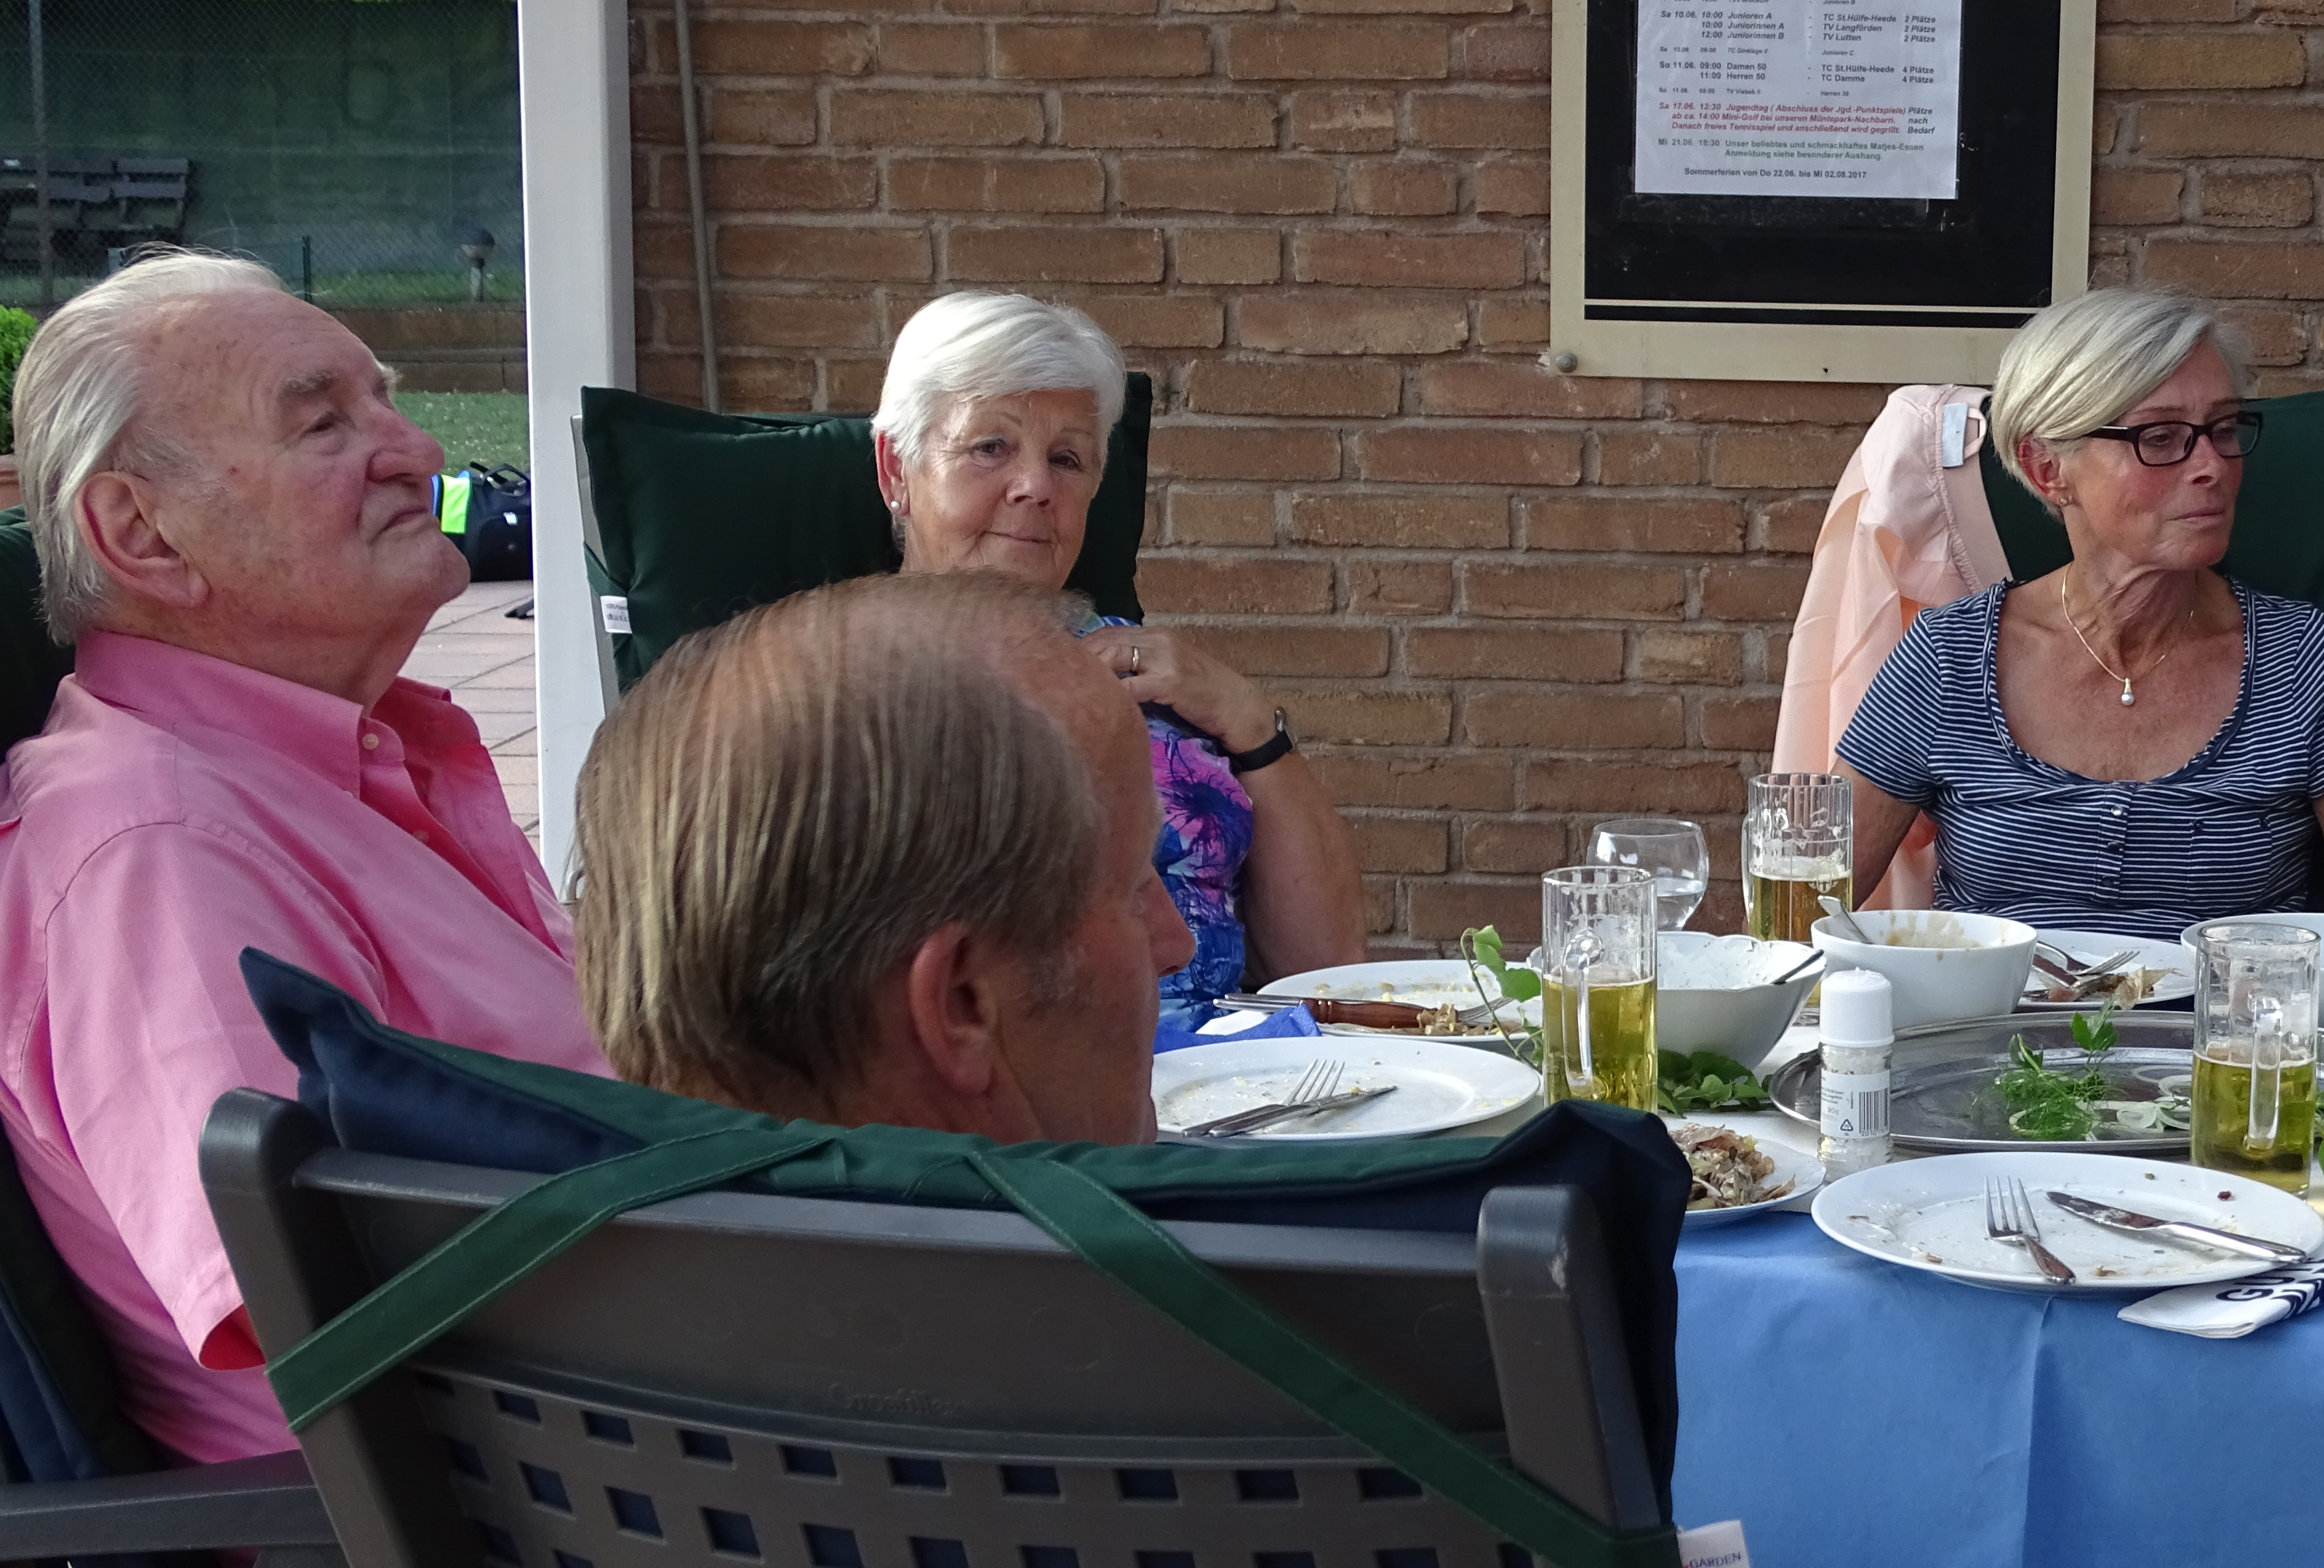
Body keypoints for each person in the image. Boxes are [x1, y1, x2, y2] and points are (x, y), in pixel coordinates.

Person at [0, 249, 606, 1464]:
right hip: (534, 1494)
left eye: (385, 402)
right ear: (142, 532)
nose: (419, 451)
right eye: (324, 421)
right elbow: (329, 1322)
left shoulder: (358, 755)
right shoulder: (159, 853)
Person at [1835, 285, 2324, 935]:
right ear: (2047, 469)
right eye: (2160, 438)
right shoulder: (1949, 656)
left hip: (2228, 1005)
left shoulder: (2303, 659)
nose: (2213, 466)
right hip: (1997, 1003)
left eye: (2224, 429)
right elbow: (1803, 906)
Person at [872, 291, 1364, 1015]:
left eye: (1067, 458)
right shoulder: (840, 692)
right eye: (990, 447)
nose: (1036, 486)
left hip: (1241, 1067)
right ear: (896, 471)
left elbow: (1328, 973)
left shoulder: (1159, 682)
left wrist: (1249, 721)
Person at [577, 573, 1194, 1139]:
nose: (1178, 944)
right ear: (961, 1004)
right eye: (1134, 889)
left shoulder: (582, 1212)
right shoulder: (1136, 1230)